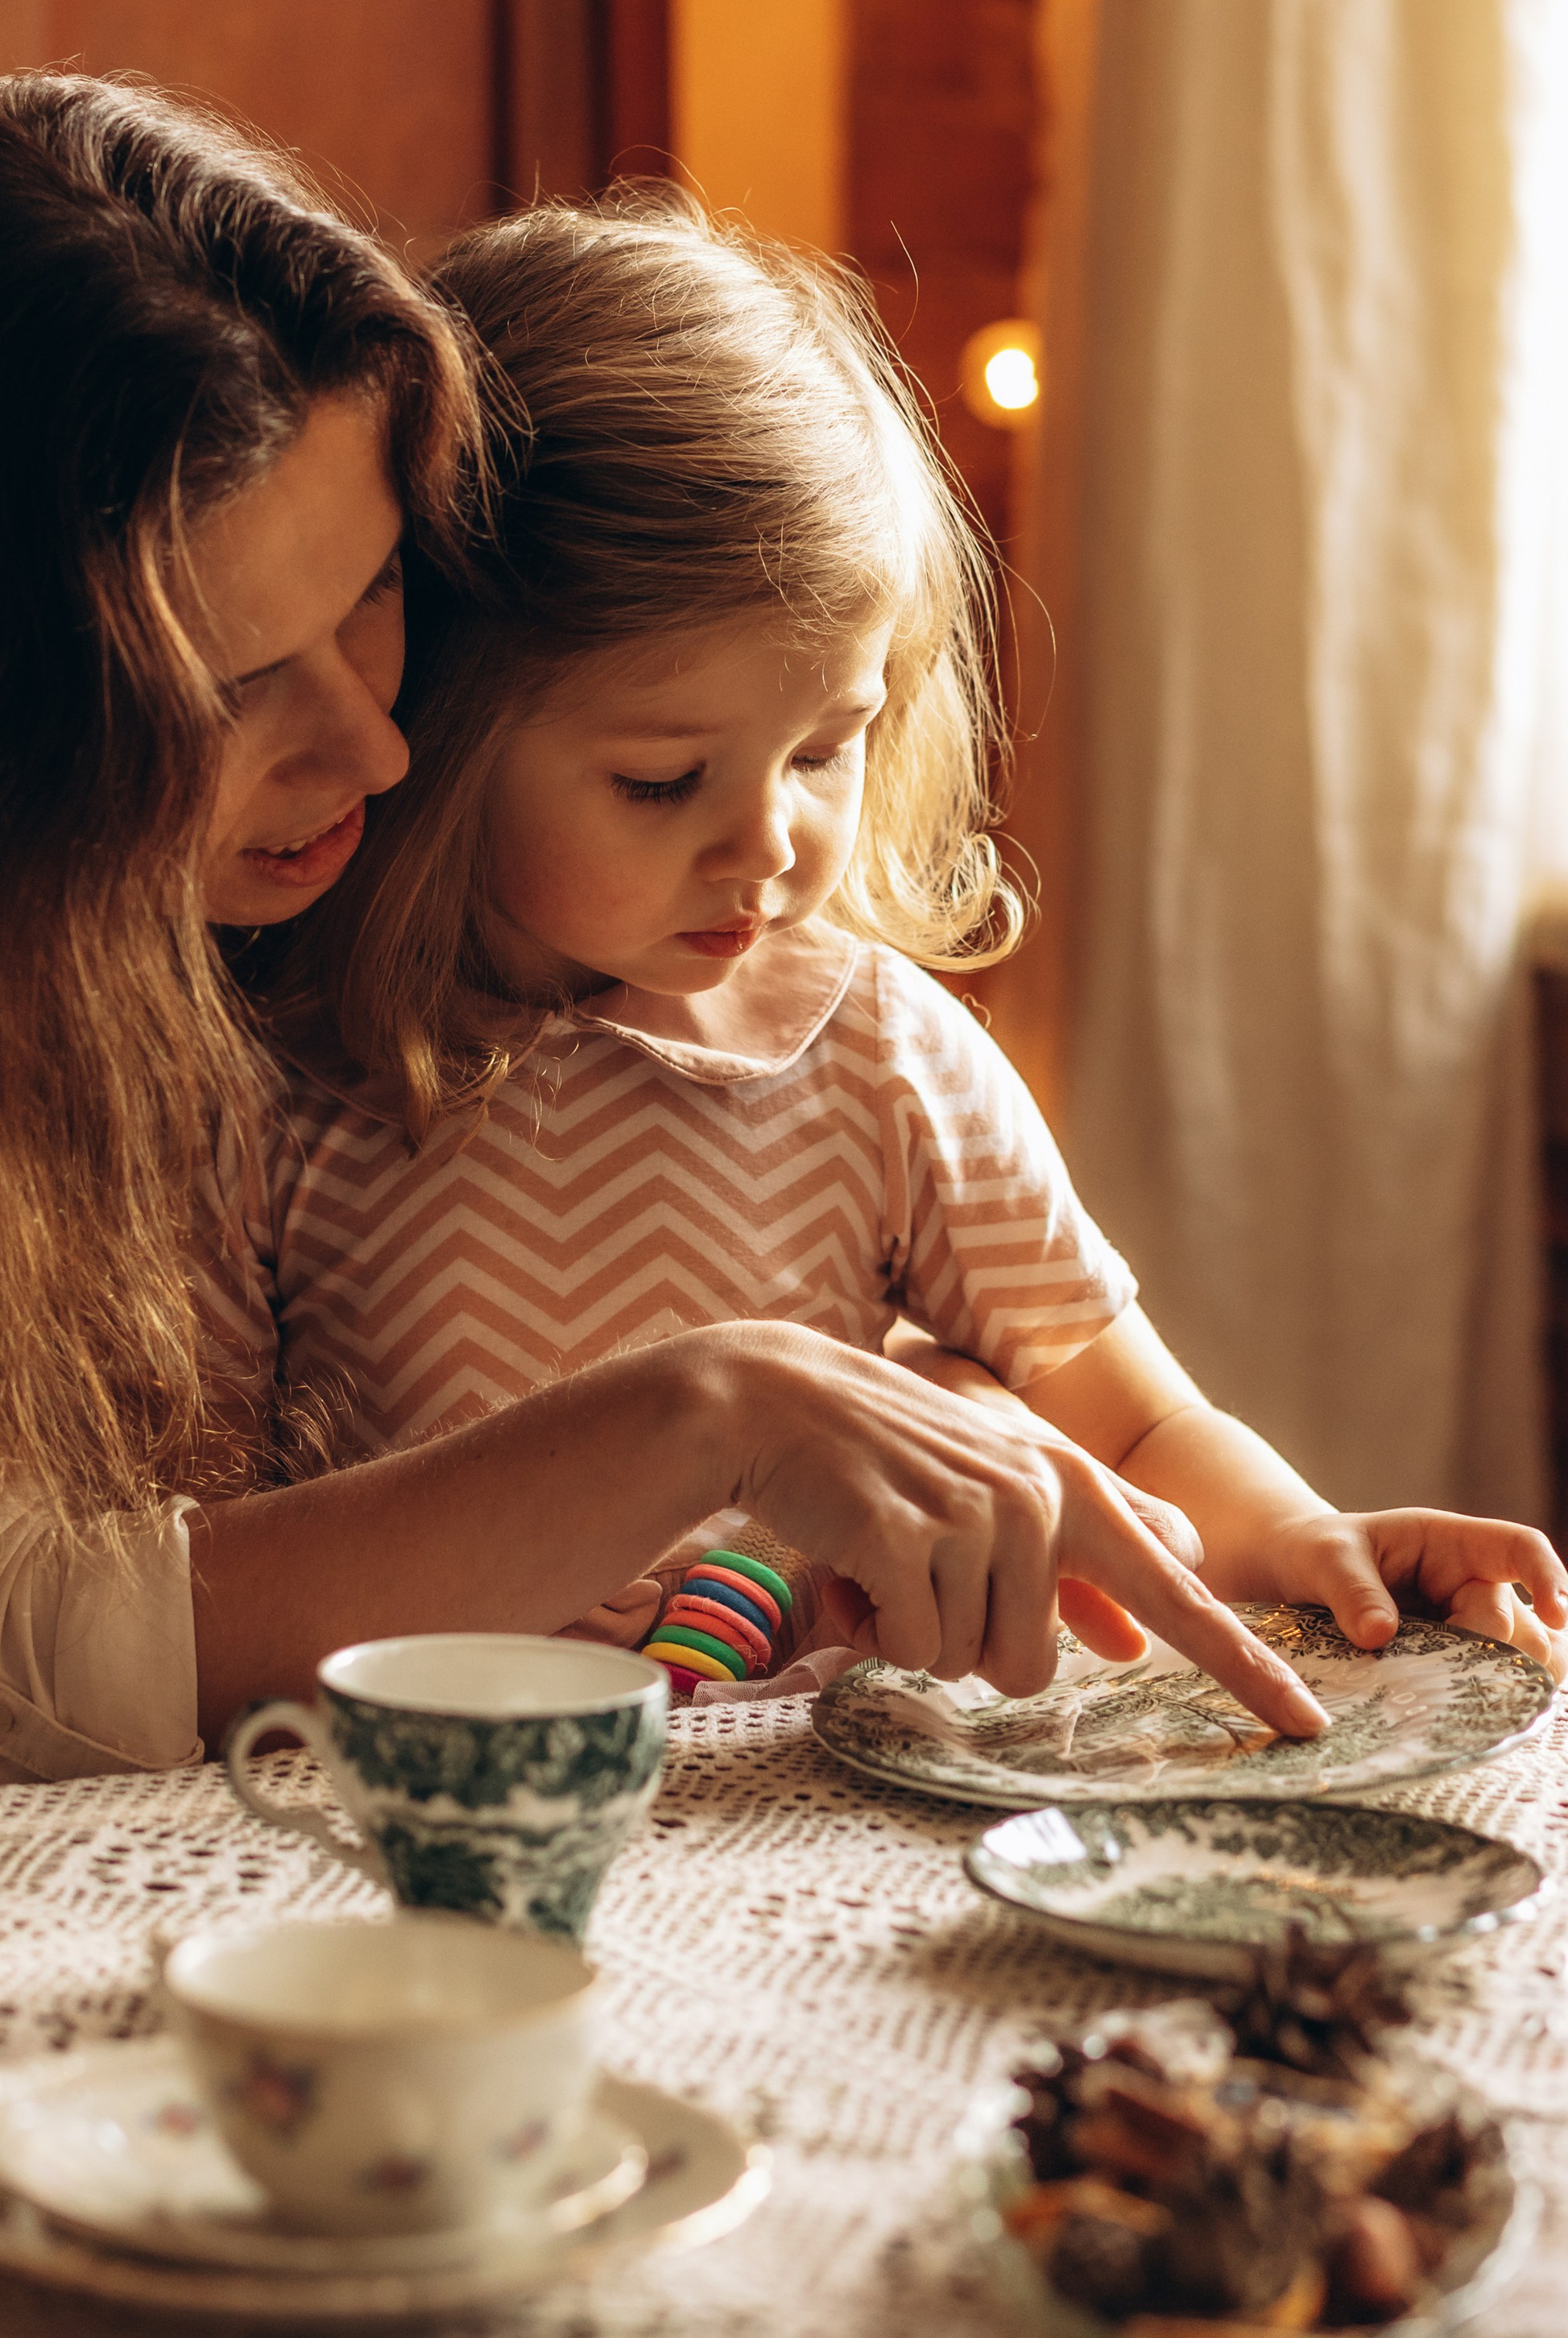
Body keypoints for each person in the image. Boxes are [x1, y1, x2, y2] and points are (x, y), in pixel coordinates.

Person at [0, 76, 1340, 1834]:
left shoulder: (208, 859)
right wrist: (711, 1409)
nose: (379, 752)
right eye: (227, 685)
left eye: (375, 594)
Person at [260, 191, 1568, 1699]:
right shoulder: (295, 1070)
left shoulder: (874, 1050)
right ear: (441, 713)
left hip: (811, 1809)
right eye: (660, 779)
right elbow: (209, 1554)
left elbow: (1129, 1427)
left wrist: (1304, 1538)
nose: (769, 845)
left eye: (825, 749)